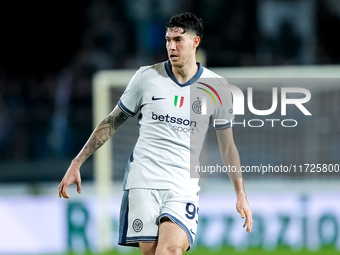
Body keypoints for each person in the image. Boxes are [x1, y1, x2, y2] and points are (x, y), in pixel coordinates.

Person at [58, 12, 252, 255]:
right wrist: (77, 162)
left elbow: (228, 147)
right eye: (168, 39)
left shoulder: (218, 87)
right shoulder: (146, 77)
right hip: (144, 181)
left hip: (183, 185)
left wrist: (240, 193)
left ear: (195, 42)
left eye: (178, 40)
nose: (171, 46)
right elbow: (112, 121)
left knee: (169, 250)